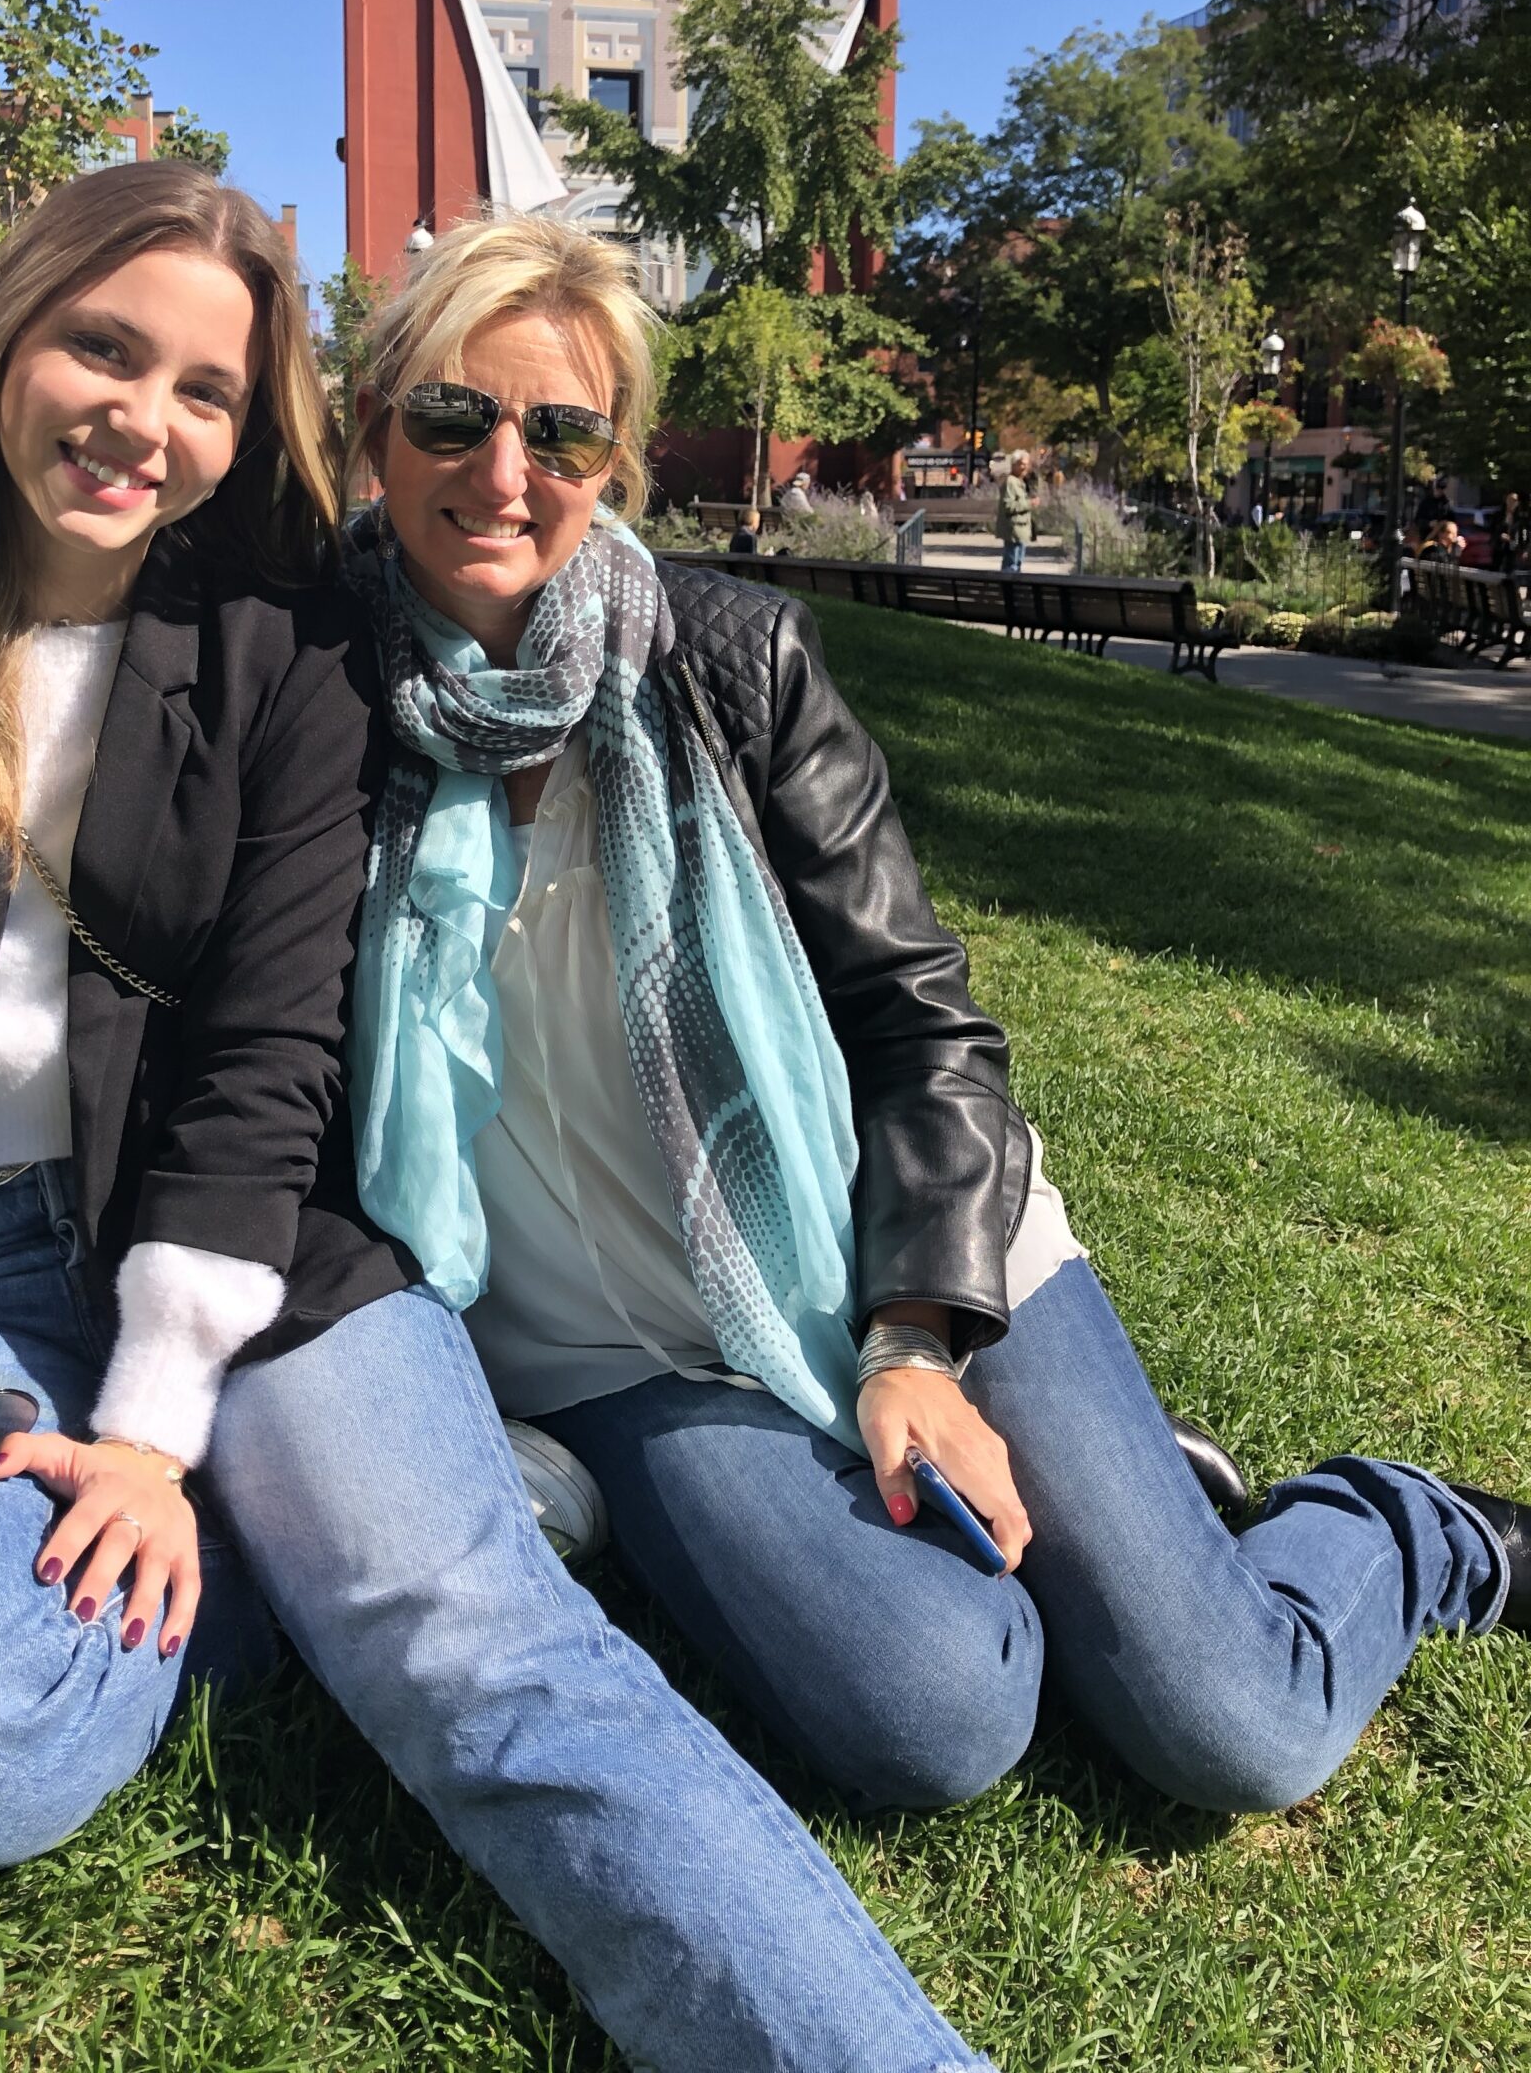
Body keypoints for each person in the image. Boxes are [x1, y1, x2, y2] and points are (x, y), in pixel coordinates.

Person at [0, 167, 1026, 2073]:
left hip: (258, 1254)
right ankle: (322, 1555)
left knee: (488, 1668)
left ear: (251, 422)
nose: (142, 418)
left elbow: (269, 1055)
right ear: (5, 339)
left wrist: (144, 1432)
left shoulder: (288, 655)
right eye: (101, 349)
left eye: (204, 386)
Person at [336, 211, 1521, 1849]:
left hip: (894, 1246)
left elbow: (920, 1026)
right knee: (935, 1712)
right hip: (614, 1363)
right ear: (375, 426)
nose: (504, 470)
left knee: (1227, 1728)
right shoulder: (301, 696)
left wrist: (911, 1338)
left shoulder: (729, 664)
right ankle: (1124, 1510)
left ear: (618, 461)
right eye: (455, 416)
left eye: (565, 429)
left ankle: (1402, 1526)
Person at [996, 449, 1035, 575]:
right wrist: (1030, 504)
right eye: (1021, 464)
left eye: (1026, 464)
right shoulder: (1010, 482)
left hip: (1021, 531)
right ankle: (1008, 591)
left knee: (1017, 565)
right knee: (1011, 566)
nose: (1024, 467)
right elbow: (1008, 506)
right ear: (1014, 465)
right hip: (1014, 531)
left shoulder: (1020, 482)